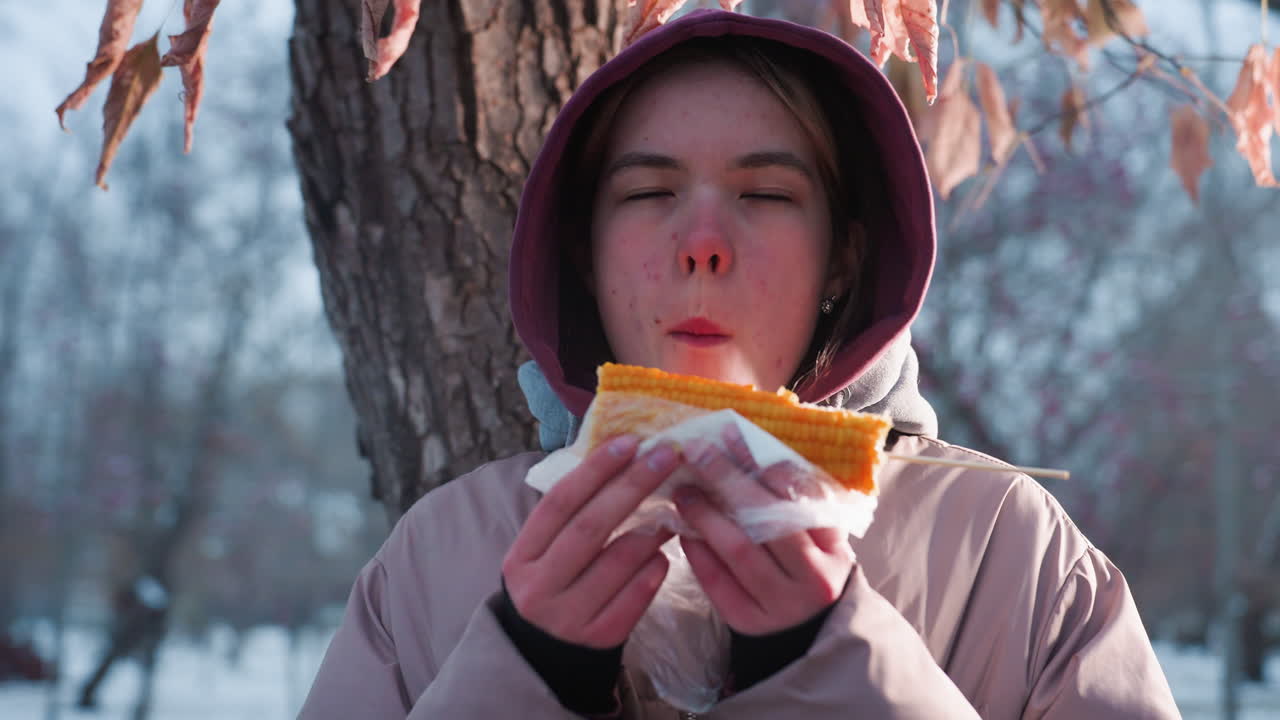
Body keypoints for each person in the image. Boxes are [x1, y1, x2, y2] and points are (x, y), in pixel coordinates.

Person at [300, 9, 1179, 719]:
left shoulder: (1012, 554)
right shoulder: (434, 558)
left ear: (843, 258)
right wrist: (528, 674)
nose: (705, 245)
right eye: (649, 194)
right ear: (584, 252)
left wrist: (832, 667)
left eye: (766, 195)